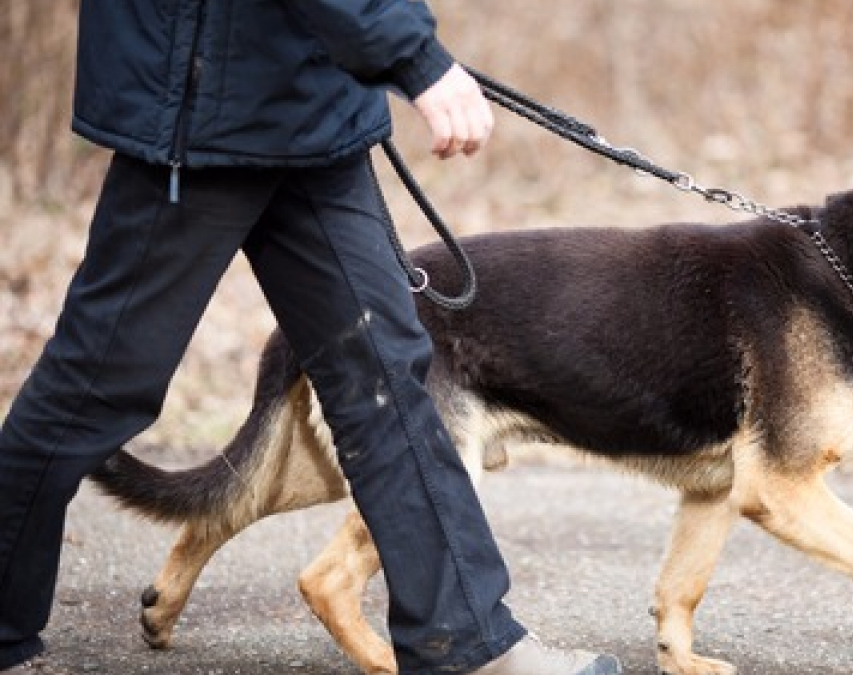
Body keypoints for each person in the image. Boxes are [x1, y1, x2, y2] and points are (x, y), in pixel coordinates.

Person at [0, 1, 621, 674]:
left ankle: (468, 640)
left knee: (386, 376)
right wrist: (417, 59)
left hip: (314, 109)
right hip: (206, 105)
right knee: (93, 387)